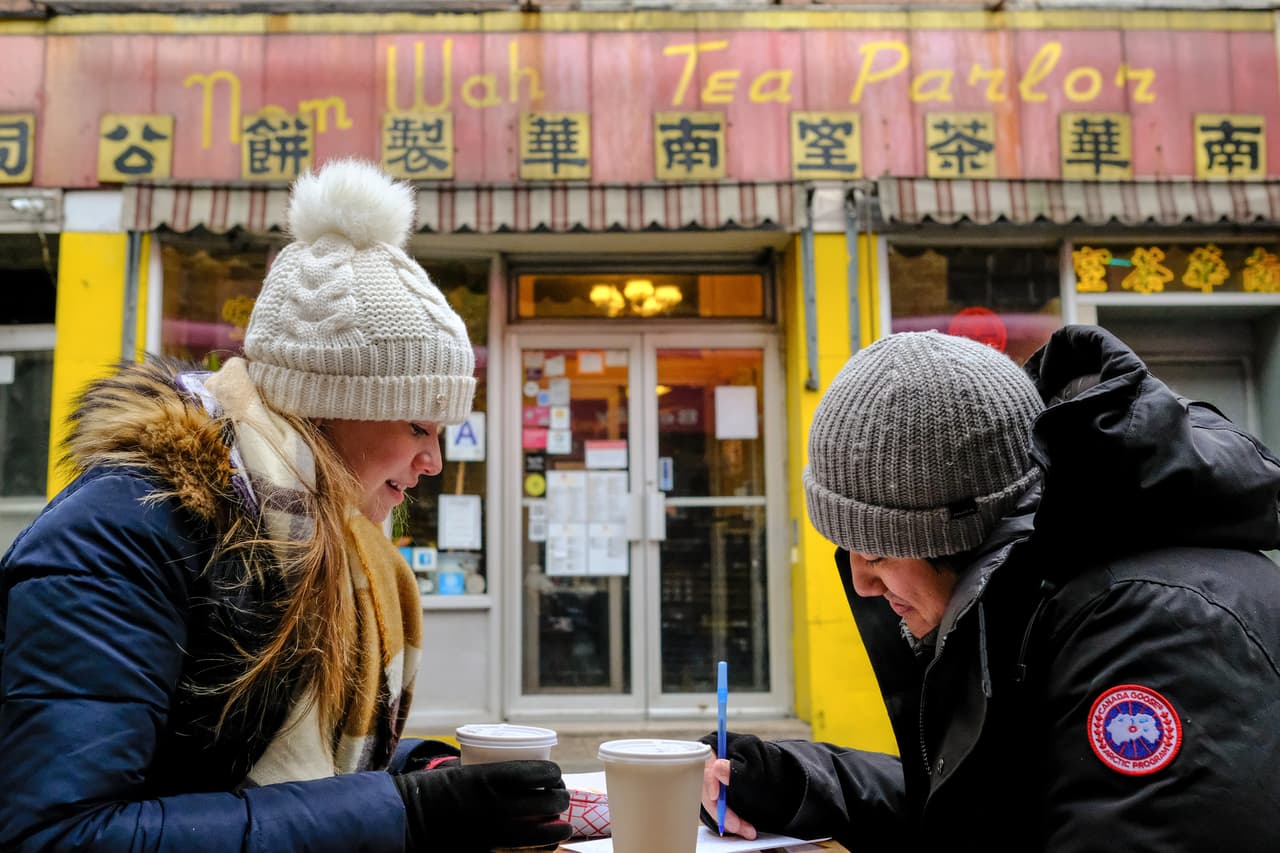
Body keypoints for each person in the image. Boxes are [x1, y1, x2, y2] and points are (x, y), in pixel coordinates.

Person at [0, 159, 572, 852]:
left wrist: (426, 773)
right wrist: (404, 814)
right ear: (328, 410)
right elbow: (59, 834)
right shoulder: (122, 534)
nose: (434, 462)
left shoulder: (318, 536)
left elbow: (254, 755)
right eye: (419, 426)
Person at [700, 325, 1280, 851]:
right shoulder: (1038, 592)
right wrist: (788, 782)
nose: (861, 582)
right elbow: (989, 813)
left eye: (877, 553)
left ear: (958, 536)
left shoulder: (1158, 630)